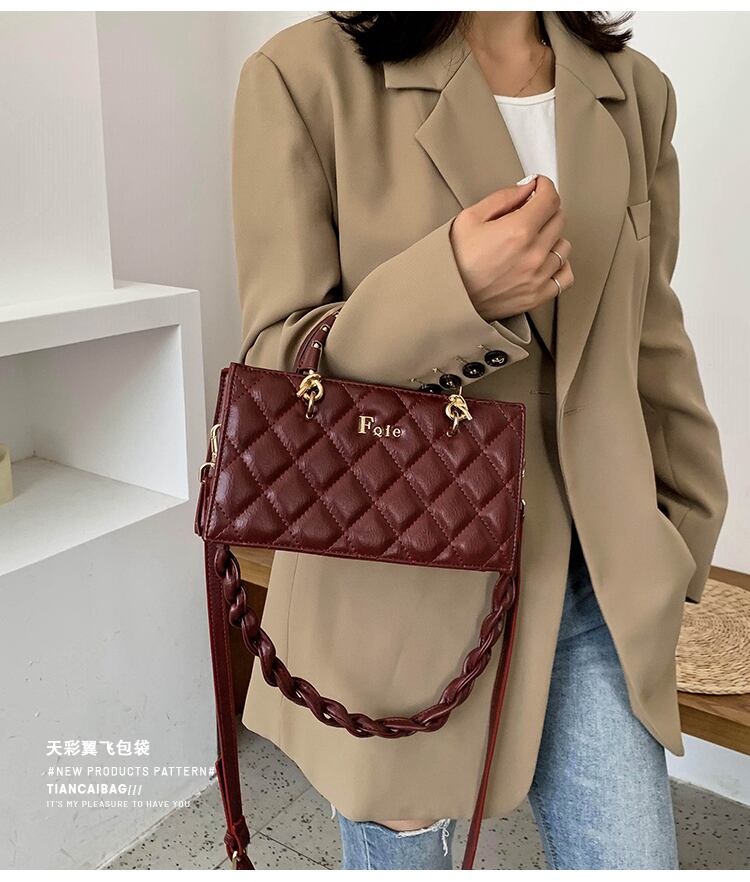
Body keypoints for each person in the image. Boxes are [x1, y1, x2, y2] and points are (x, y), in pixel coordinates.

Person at [230, 10, 728, 870]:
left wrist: (684, 526)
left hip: (594, 587)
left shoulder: (634, 91)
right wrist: (451, 289)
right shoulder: (304, 76)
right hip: (398, 590)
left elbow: (652, 334)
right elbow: (278, 366)